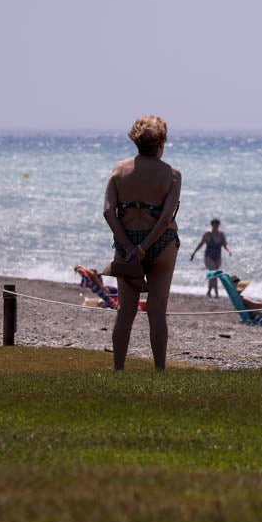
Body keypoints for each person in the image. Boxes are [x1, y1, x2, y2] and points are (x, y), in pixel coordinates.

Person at [103, 116, 182, 371]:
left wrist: (129, 247)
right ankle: (159, 370)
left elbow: (108, 212)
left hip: (126, 244)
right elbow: (164, 219)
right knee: (157, 310)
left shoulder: (118, 171)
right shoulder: (171, 175)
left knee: (126, 311)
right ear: (161, 141)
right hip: (161, 245)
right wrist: (144, 247)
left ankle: (118, 369)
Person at [190, 218, 230, 297]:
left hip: (218, 257)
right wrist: (194, 253)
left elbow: (225, 245)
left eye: (217, 225)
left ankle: (209, 292)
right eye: (214, 225)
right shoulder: (208, 234)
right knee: (214, 273)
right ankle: (216, 293)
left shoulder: (221, 234)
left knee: (214, 275)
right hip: (208, 257)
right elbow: (201, 244)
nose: (216, 226)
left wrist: (229, 251)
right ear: (212, 225)